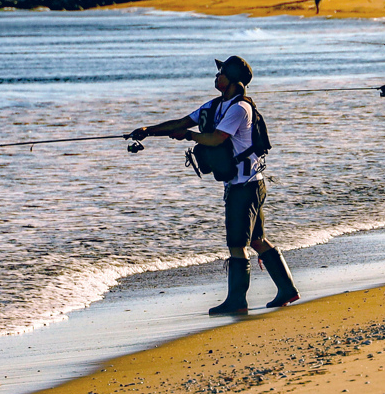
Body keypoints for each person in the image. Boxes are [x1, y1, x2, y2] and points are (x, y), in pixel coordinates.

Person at [126, 56, 299, 316]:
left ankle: (237, 301)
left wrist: (190, 136)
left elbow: (217, 139)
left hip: (245, 186)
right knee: (257, 240)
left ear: (232, 80)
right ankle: (287, 290)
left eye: (220, 73)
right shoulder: (215, 105)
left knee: (236, 244)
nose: (216, 77)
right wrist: (148, 130)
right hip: (246, 183)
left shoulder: (240, 108)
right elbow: (182, 122)